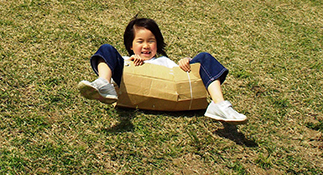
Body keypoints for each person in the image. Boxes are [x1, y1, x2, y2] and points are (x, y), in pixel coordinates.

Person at [77, 17, 247, 124]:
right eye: (140, 41)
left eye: (151, 41)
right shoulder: (123, 60)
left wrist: (186, 62)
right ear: (130, 46)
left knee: (204, 57)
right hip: (124, 82)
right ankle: (103, 84)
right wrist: (129, 60)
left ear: (157, 44)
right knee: (106, 49)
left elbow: (176, 79)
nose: (146, 46)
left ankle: (219, 104)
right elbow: (118, 70)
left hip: (167, 91)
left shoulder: (163, 61)